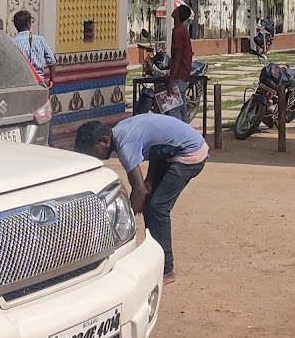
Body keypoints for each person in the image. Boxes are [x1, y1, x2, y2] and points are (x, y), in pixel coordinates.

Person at [75, 114, 207, 283]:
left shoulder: (125, 145)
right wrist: (149, 181)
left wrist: (126, 218)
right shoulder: (121, 132)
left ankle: (167, 270)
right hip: (173, 151)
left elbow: (139, 190)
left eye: (92, 152)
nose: (95, 157)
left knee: (157, 208)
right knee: (150, 204)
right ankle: (156, 258)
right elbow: (156, 148)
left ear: (103, 141)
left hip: (191, 153)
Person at [168, 1, 195, 114]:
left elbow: (178, 56)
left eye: (176, 9)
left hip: (179, 75)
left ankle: (177, 131)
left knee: (173, 108)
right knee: (182, 108)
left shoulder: (178, 31)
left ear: (178, 14)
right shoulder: (183, 30)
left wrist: (171, 79)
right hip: (184, 74)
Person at [10, 10, 55, 77]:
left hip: (21, 80)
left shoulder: (12, 42)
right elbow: (51, 61)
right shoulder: (40, 40)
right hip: (39, 80)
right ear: (28, 23)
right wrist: (52, 79)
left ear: (15, 25)